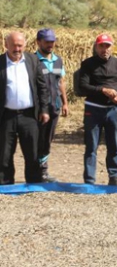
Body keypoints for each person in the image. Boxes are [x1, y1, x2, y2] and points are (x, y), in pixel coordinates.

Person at [78, 33, 117, 186]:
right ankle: (89, 180)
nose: (104, 49)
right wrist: (103, 90)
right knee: (91, 146)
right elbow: (83, 86)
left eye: (107, 46)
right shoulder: (88, 64)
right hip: (93, 110)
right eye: (101, 46)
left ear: (111, 47)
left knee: (113, 145)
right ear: (96, 46)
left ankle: (114, 176)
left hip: (114, 110)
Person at [0, 32, 50, 185]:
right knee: (4, 153)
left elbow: (43, 87)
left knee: (32, 152)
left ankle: (34, 183)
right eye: (14, 45)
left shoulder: (33, 61)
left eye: (20, 45)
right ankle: (5, 184)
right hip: (6, 115)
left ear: (25, 45)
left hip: (29, 115)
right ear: (6, 44)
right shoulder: (0, 62)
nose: (17, 48)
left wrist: (44, 110)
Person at [35, 28, 69, 183]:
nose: (50, 44)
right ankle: (34, 171)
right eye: (47, 41)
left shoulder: (58, 60)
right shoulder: (32, 60)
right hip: (36, 109)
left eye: (52, 41)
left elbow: (60, 82)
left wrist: (65, 103)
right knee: (36, 139)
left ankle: (43, 171)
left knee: (47, 139)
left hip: (53, 106)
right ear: (38, 42)